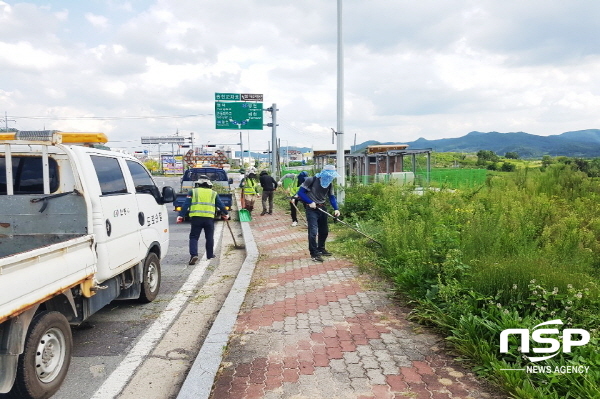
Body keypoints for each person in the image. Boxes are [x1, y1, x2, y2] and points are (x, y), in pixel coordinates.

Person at [177, 175, 229, 265]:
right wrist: (226, 214)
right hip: (209, 218)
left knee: (194, 237)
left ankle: (194, 255)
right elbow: (220, 205)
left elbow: (186, 204)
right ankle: (210, 255)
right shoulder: (213, 193)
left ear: (198, 184)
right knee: (209, 237)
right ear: (209, 184)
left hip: (196, 218)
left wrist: (180, 216)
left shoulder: (192, 192)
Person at [297, 165, 341, 262]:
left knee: (324, 231)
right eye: (328, 175)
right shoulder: (311, 180)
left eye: (331, 176)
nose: (330, 178)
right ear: (323, 173)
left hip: (322, 207)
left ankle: (321, 249)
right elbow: (300, 193)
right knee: (313, 232)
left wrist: (336, 209)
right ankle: (314, 253)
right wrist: (310, 202)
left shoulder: (329, 184)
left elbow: (332, 197)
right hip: (311, 208)